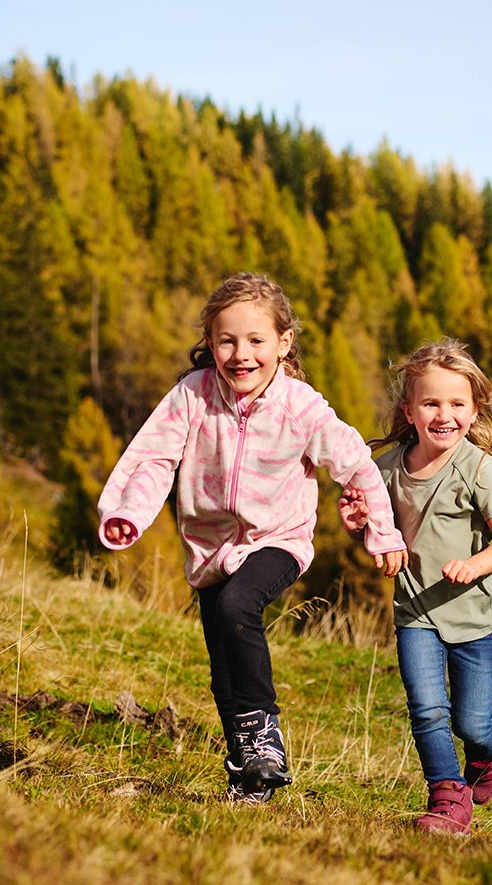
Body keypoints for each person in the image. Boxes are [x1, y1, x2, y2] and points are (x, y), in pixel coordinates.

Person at [98, 273, 408, 803]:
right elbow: (154, 457)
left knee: (238, 607)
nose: (241, 355)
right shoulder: (191, 397)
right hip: (208, 548)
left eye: (256, 341)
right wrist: (130, 508)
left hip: (278, 538)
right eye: (227, 340)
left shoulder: (302, 407)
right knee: (223, 667)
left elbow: (356, 465)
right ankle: (249, 777)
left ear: (284, 344)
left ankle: (267, 740)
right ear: (209, 342)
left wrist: (382, 531)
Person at [341, 339, 492, 835]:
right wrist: (359, 523)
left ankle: (490, 745)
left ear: (475, 408)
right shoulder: (386, 470)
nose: (445, 415)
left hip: (473, 616)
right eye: (431, 403)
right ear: (409, 410)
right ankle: (447, 797)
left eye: (457, 404)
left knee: (471, 723)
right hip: (415, 611)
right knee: (425, 707)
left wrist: (475, 564)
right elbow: (374, 534)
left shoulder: (480, 469)